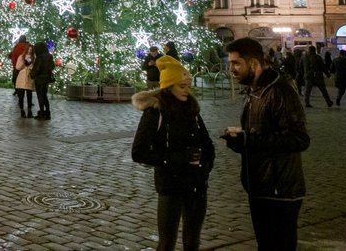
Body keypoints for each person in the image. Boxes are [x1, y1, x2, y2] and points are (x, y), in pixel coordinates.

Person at [222, 37, 309, 251]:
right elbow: (259, 134)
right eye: (230, 63)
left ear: (253, 63)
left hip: (280, 190)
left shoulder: (279, 91)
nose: (231, 69)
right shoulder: (254, 91)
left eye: (236, 63)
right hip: (260, 185)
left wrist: (248, 140)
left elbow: (299, 138)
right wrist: (240, 141)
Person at [131, 55, 214, 251]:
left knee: (193, 241)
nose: (187, 90)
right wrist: (175, 159)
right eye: (182, 86)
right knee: (167, 242)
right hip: (171, 184)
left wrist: (207, 163)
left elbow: (206, 142)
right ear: (169, 86)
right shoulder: (155, 112)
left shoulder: (192, 109)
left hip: (196, 183)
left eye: (188, 85)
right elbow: (139, 152)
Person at [31, 41, 55, 120]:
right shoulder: (50, 56)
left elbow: (37, 69)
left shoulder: (39, 57)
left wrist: (32, 74)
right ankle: (47, 113)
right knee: (45, 96)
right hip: (46, 78)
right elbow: (52, 66)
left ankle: (41, 113)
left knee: (40, 96)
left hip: (39, 79)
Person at [15, 46, 35, 117]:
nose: (29, 51)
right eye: (28, 49)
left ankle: (29, 111)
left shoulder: (33, 58)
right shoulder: (21, 57)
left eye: (31, 50)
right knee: (21, 96)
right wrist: (24, 62)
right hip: (22, 77)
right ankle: (22, 111)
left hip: (29, 78)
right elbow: (17, 67)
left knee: (29, 95)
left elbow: (34, 67)